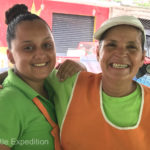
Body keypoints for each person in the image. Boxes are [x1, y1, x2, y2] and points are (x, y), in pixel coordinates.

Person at [48, 15, 150, 150]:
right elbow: (24, 76)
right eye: (111, 45)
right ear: (97, 53)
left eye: (131, 47)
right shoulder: (68, 82)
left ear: (142, 57)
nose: (120, 53)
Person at [0, 4, 86, 150]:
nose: (40, 54)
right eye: (28, 47)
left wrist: (81, 68)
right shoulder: (7, 101)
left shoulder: (53, 84)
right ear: (11, 56)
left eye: (47, 45)